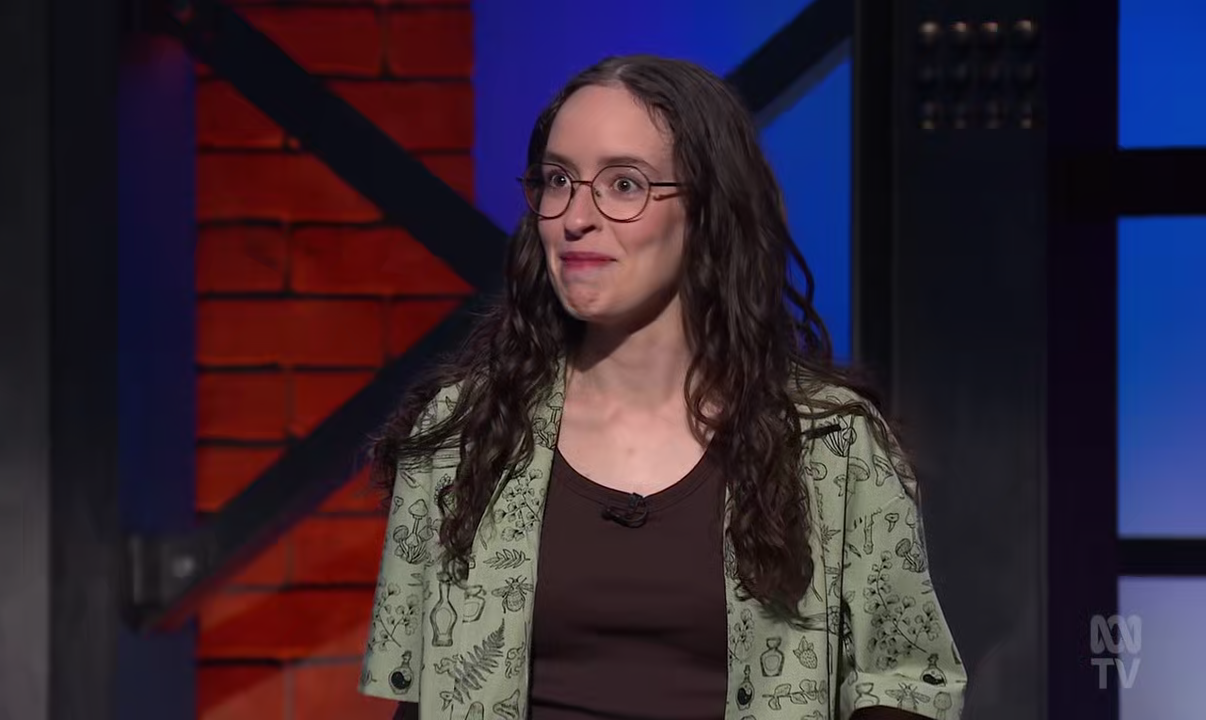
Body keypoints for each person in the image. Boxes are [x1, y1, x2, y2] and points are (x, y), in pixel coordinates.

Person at [357, 54, 967, 720]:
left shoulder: (831, 441)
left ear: (706, 209)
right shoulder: (466, 430)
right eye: (558, 180)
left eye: (624, 184)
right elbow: (421, 695)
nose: (574, 216)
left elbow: (904, 684)